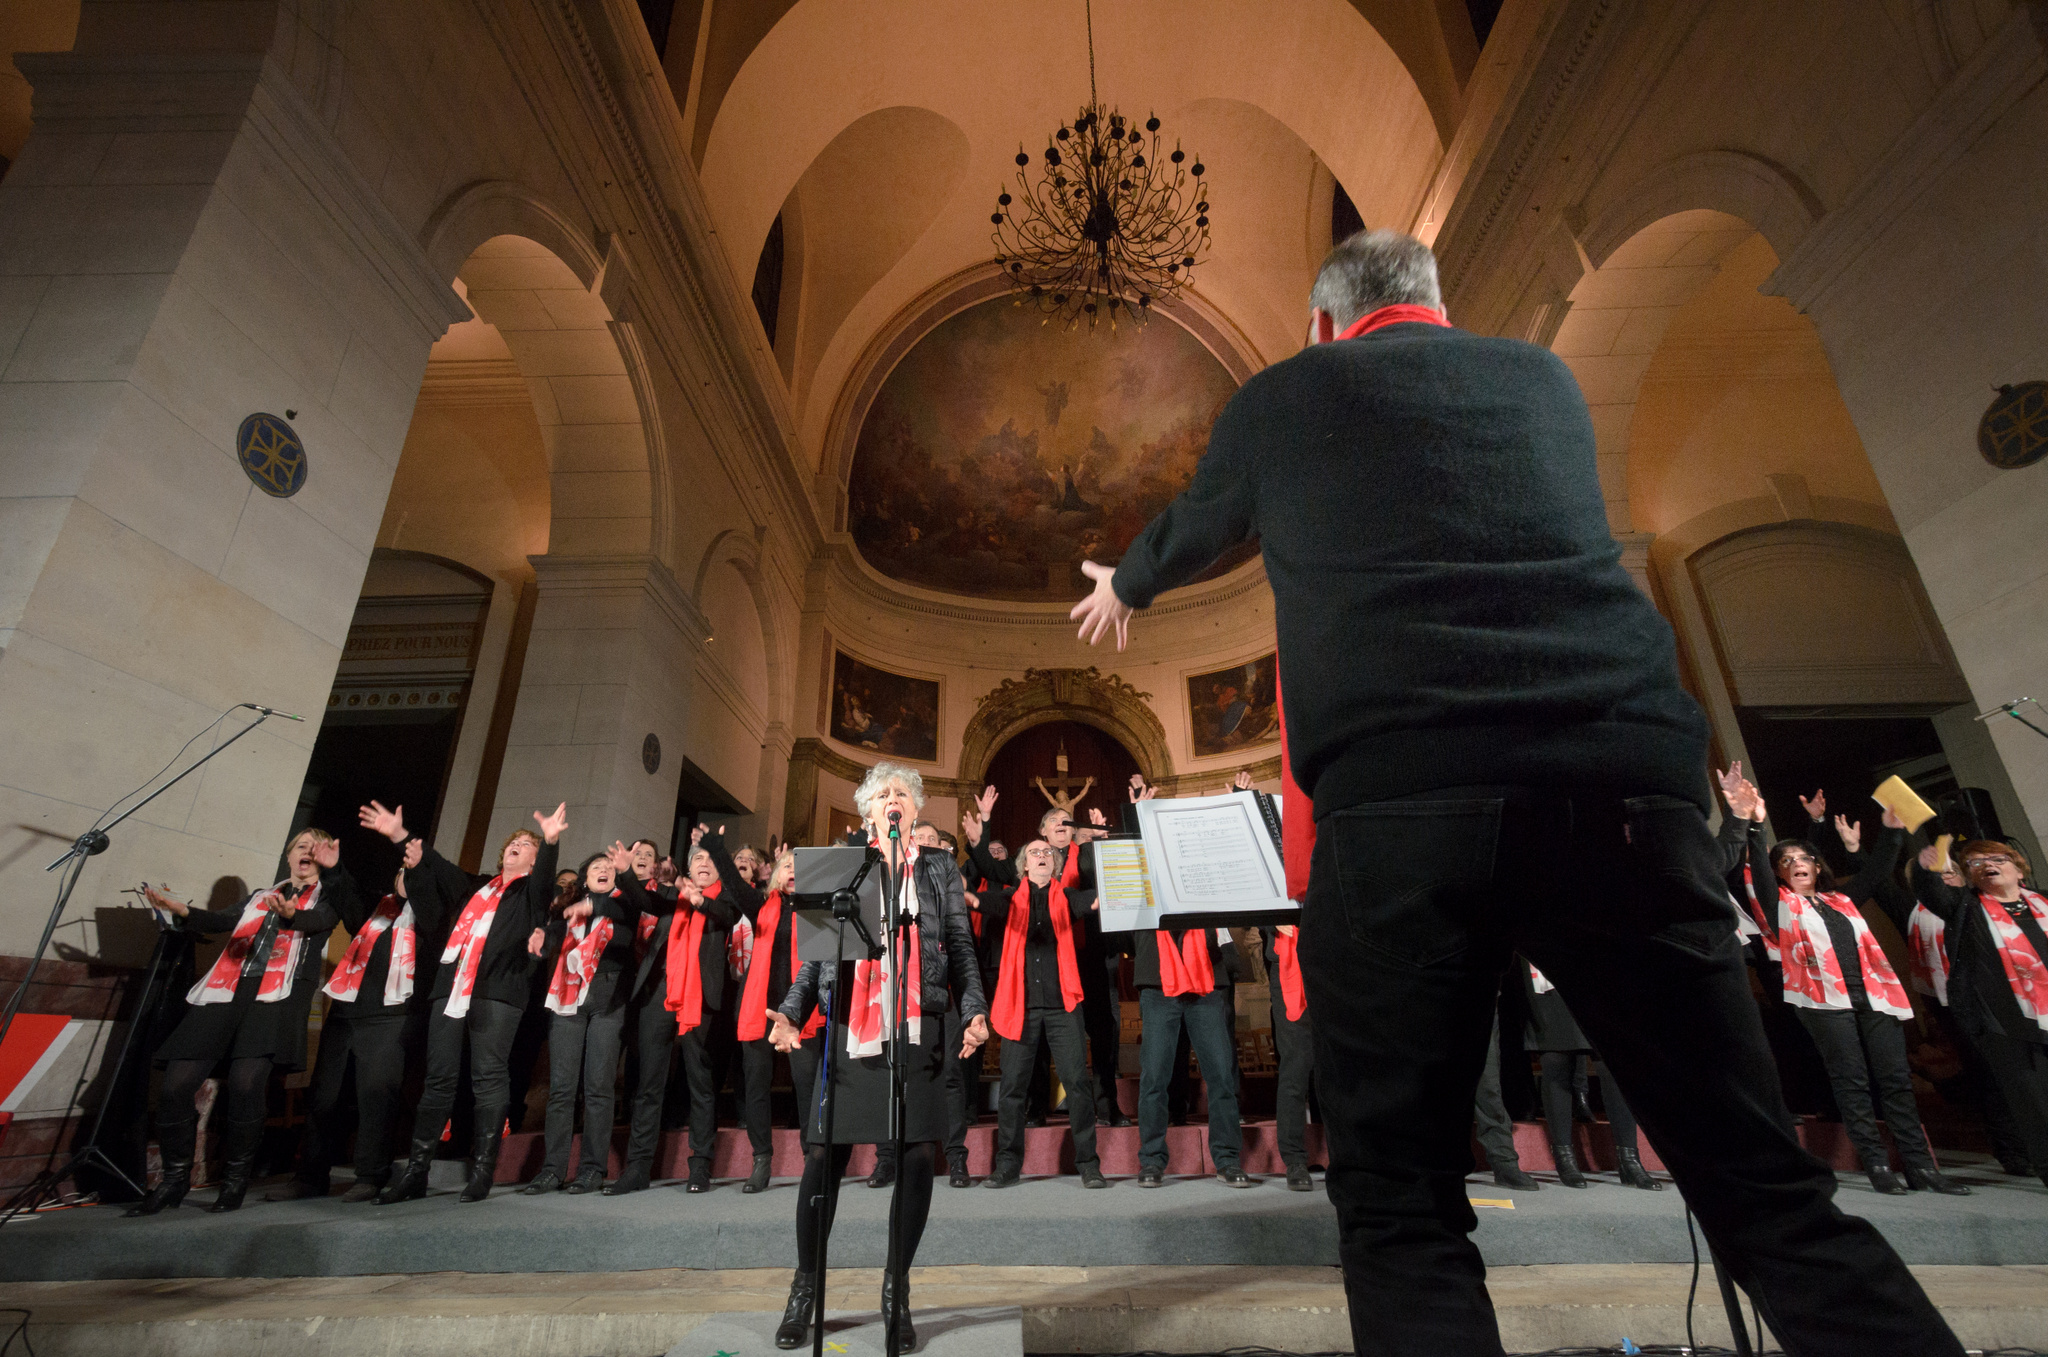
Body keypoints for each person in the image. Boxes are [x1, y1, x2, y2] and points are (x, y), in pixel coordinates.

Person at [1068, 227, 1962, 1357]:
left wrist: (1129, 581)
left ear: (1320, 326)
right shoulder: (1538, 379)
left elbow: (1197, 525)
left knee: (1399, 1205)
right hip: (1623, 787)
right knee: (1759, 1185)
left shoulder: (1288, 394)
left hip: (1403, 798)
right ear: (1435, 302)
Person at [765, 762, 989, 1353]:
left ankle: (897, 1290)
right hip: (850, 1026)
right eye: (883, 794)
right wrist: (791, 1012)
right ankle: (805, 1288)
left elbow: (960, 945)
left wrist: (974, 1010)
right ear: (868, 811)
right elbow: (816, 957)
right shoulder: (842, 864)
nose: (894, 801)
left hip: (921, 1024)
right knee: (823, 1157)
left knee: (916, 1154)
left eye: (903, 794)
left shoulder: (940, 867)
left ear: (914, 810)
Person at [1719, 770, 1965, 1196]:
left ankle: (1922, 1167)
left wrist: (1889, 833)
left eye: (1804, 858)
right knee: (1851, 1080)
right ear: (1780, 873)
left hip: (1874, 994)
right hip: (1822, 1000)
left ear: (1818, 866)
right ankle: (1876, 1165)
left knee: (1894, 1079)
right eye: (1787, 861)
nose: (1797, 864)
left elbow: (1877, 871)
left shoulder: (1842, 899)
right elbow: (1758, 869)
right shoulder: (1781, 903)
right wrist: (1756, 825)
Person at [127, 829, 349, 1215]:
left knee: (248, 1085)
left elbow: (316, 921)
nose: (306, 854)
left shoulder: (329, 899)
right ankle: (174, 1181)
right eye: (300, 847)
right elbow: (219, 921)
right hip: (227, 988)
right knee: (176, 1086)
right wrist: (178, 909)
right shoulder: (260, 897)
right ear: (289, 855)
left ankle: (234, 1183)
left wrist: (292, 914)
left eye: (314, 850)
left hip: (274, 998)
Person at [376, 803, 565, 1204]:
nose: (517, 845)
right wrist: (400, 836)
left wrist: (549, 841)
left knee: (488, 1078)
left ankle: (482, 1172)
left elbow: (546, 877)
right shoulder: (477, 887)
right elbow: (441, 867)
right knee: (438, 1080)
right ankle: (416, 1172)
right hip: (451, 988)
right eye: (513, 842)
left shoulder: (532, 893)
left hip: (498, 993)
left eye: (525, 843)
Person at [269, 822, 437, 1203]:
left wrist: (418, 867)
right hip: (347, 1010)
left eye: (412, 876)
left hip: (392, 1016)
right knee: (324, 1097)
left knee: (376, 1098)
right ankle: (310, 1176)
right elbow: (346, 898)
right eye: (401, 873)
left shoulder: (432, 917)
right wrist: (333, 869)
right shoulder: (374, 908)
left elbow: (430, 893)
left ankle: (371, 1174)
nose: (404, 880)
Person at [1908, 838, 2048, 1187]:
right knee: (2034, 1106)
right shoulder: (1965, 908)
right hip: (2008, 1025)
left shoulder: (2044, 901)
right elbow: (1931, 892)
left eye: (1997, 858)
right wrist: (1928, 866)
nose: (1988, 864)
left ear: (2019, 867)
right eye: (1975, 863)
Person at [972, 838, 1108, 1189]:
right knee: (1013, 1088)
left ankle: (1088, 1164)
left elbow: (1090, 901)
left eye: (1048, 852)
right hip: (1021, 1007)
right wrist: (962, 891)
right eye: (1034, 852)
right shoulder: (1010, 898)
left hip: (1064, 1005)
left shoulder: (1067, 896)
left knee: (1077, 1084)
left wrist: (1101, 896)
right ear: (1024, 865)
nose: (1043, 855)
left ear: (1056, 865)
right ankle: (1007, 1164)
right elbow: (979, 901)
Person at [523, 844, 642, 1194]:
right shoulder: (569, 911)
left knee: (598, 1088)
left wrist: (622, 880)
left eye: (608, 866)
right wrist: (542, 939)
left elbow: (637, 910)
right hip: (568, 998)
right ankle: (552, 1169)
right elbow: (551, 942)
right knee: (561, 1089)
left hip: (609, 998)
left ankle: (592, 1168)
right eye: (596, 867)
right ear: (585, 879)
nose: (603, 869)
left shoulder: (624, 904)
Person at [704, 832, 819, 1193]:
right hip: (760, 1006)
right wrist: (717, 850)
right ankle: (761, 1160)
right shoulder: (760, 905)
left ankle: (812, 1160)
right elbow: (736, 886)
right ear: (775, 875)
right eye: (786, 864)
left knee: (807, 1087)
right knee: (755, 1087)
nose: (791, 870)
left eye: (799, 867)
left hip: (802, 1011)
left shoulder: (820, 909)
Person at [1522, 962, 1660, 1190]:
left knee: (1611, 1062)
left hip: (1595, 959)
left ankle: (1629, 1161)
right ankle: (1565, 1159)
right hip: (1549, 957)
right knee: (1557, 1058)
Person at [672, 840, 743, 1191]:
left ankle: (699, 1163)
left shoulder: (726, 898)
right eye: (697, 858)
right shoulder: (675, 900)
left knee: (703, 1086)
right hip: (668, 1000)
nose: (704, 863)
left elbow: (727, 917)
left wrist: (702, 902)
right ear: (688, 870)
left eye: (712, 859)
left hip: (705, 1002)